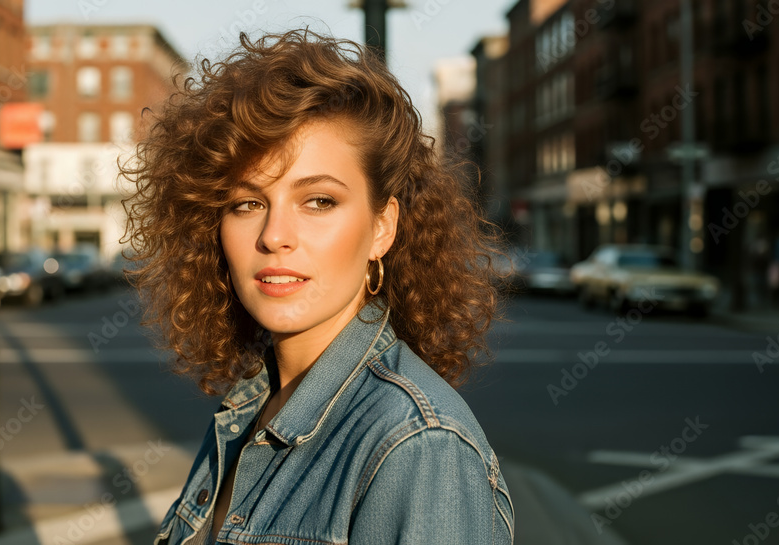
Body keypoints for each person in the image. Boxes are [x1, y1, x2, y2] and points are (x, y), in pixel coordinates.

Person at [119, 28, 515, 545]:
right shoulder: (252, 408)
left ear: (382, 227)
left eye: (319, 201)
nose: (274, 236)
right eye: (247, 203)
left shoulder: (417, 445)